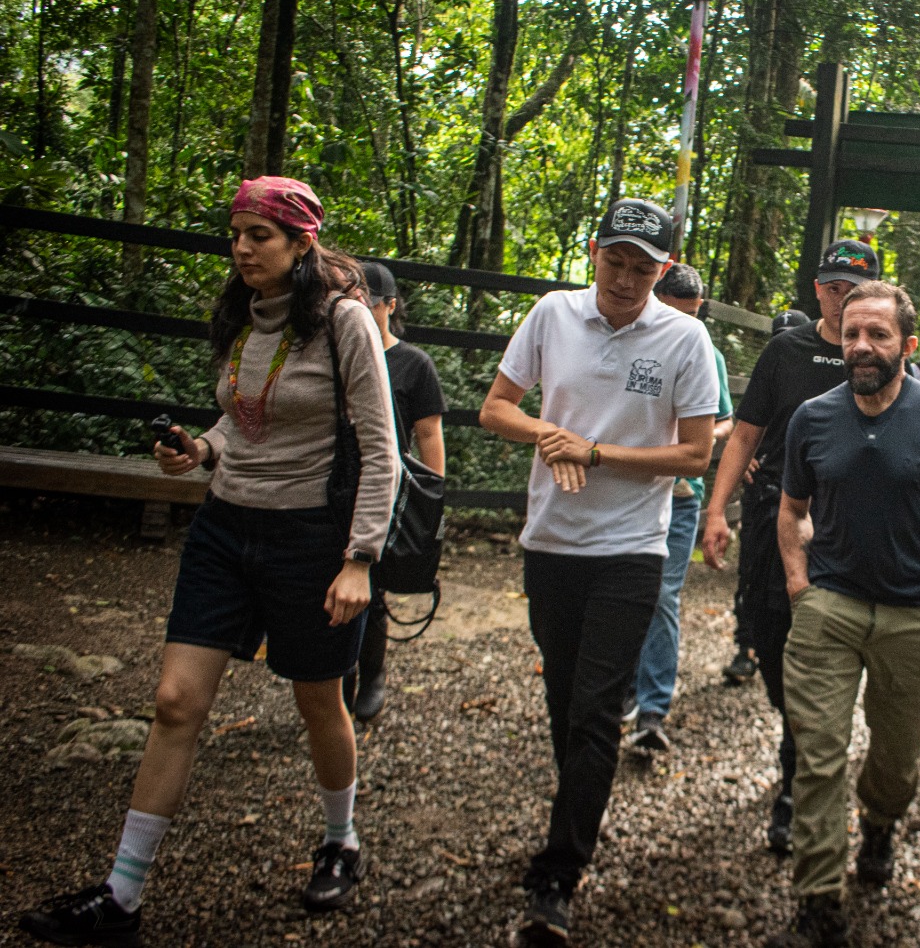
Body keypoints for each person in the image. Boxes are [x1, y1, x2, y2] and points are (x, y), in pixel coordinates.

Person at [20, 177, 400, 946]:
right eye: (236, 233)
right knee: (173, 702)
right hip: (225, 530)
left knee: (317, 700)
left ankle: (340, 840)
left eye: (260, 235)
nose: (242, 248)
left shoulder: (343, 320)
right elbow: (242, 414)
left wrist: (360, 557)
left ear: (302, 243)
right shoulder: (239, 315)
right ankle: (122, 896)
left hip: (309, 539)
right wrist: (200, 448)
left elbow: (382, 449)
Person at [478, 197, 719, 948]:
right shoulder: (553, 315)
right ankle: (579, 804)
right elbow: (495, 408)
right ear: (593, 252)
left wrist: (599, 453)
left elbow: (694, 456)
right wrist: (551, 433)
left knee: (596, 706)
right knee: (564, 697)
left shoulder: (685, 338)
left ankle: (558, 873)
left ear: (665, 270)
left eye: (643, 267)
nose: (625, 277)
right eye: (615, 260)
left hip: (630, 549)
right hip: (551, 541)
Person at [768, 282, 920, 948]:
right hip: (827, 608)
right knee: (819, 757)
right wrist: (800, 586)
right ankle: (817, 906)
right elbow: (790, 509)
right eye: (852, 333)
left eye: (879, 335)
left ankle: (882, 824)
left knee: (894, 761)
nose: (862, 345)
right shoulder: (813, 417)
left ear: (908, 346)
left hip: (913, 615)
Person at [701, 239, 881, 853]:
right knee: (767, 633)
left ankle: (795, 782)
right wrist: (717, 508)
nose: (841, 299)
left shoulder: (881, 355)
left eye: (854, 289)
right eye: (833, 287)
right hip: (774, 510)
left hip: (847, 524)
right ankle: (798, 728)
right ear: (817, 289)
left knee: (822, 651)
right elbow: (745, 431)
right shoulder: (787, 350)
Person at [624, 263, 735, 753]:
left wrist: (695, 436)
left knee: (662, 596)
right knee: (618, 592)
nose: (686, 323)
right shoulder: (627, 338)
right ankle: (620, 688)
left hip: (680, 494)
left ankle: (652, 709)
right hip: (624, 488)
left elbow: (728, 422)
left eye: (694, 314)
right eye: (677, 313)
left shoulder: (706, 351)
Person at [344, 260, 447, 723]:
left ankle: (372, 674)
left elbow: (429, 434)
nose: (364, 311)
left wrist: (430, 501)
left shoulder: (413, 364)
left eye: (373, 304)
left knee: (375, 583)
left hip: (391, 485)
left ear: (390, 306)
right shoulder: (337, 353)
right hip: (336, 482)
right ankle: (337, 674)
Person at [724, 306, 812, 685]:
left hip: (806, 495)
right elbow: (743, 428)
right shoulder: (772, 367)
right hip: (765, 492)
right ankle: (747, 646)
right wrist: (743, 460)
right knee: (752, 572)